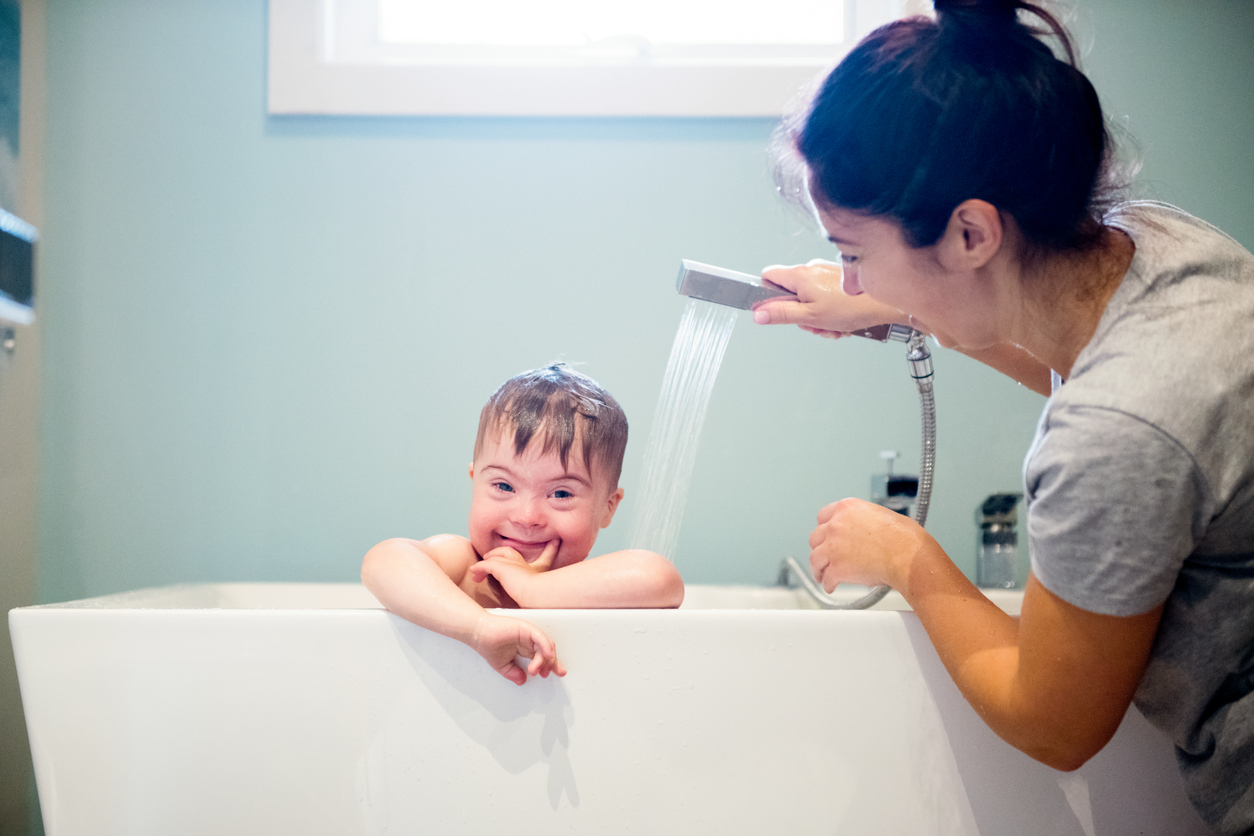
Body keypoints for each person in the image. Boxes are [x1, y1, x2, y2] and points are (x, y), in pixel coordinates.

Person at [751, 2, 1254, 833]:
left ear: (971, 232)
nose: (852, 282)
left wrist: (909, 557)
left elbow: (1053, 722)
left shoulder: (1119, 428)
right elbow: (1096, 367)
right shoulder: (1150, 245)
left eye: (851, 252)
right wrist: (895, 306)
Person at [361, 363, 684, 686]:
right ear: (475, 481)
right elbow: (384, 559)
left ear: (607, 508)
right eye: (503, 486)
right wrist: (477, 628)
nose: (526, 517)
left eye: (560, 493)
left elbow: (660, 578)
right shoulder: (468, 566)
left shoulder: (593, 585)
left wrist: (531, 588)